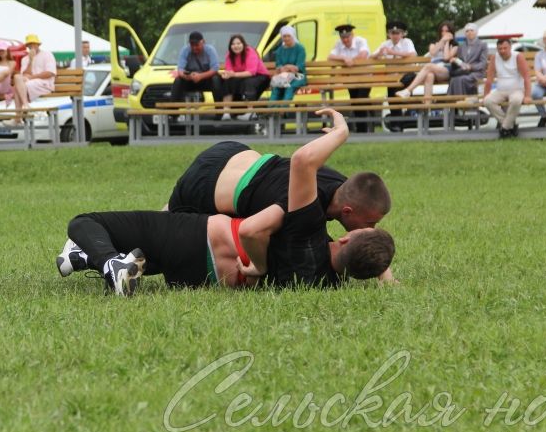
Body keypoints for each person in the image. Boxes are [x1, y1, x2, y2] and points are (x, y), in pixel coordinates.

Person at [60, 110, 395, 296]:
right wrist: (380, 268)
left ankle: (106, 262)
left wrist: (341, 132)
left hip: (207, 202)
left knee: (85, 222)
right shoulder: (325, 283)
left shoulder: (306, 225)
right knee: (147, 248)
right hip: (202, 274)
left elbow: (301, 163)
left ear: (348, 237)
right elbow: (364, 240)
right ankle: (82, 256)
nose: (371, 227)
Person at [164, 141, 391, 236]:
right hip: (205, 185)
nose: (371, 230)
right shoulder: (301, 204)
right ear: (347, 211)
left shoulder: (344, 186)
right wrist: (257, 267)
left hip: (232, 152)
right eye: (370, 224)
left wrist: (383, 273)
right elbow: (251, 231)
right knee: (163, 226)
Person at [396, 21, 458, 102]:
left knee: (428, 66)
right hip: (434, 68)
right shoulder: (434, 43)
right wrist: (442, 41)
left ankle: (408, 90)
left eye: (446, 31)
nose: (444, 33)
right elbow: (433, 53)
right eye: (442, 31)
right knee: (429, 75)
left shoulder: (455, 45)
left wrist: (447, 43)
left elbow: (446, 58)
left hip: (446, 70)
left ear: (451, 32)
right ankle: (427, 106)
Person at [483, 39, 532, 138]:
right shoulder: (494, 58)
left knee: (516, 100)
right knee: (488, 101)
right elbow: (489, 79)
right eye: (500, 48)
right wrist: (485, 95)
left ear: (510, 48)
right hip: (500, 90)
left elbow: (527, 77)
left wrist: (527, 96)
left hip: (517, 89)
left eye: (505, 48)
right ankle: (510, 126)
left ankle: (504, 128)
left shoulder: (518, 57)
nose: (502, 51)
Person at [328, 23, 373, 132]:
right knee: (355, 102)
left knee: (360, 101)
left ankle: (362, 129)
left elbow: (363, 55)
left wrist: (351, 60)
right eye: (343, 37)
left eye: (347, 37)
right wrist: (344, 58)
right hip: (350, 79)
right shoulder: (338, 44)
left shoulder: (361, 41)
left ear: (352, 35)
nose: (345, 40)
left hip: (365, 77)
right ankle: (364, 127)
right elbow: (330, 57)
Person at [9, 34, 56, 126]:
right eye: (29, 44)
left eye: (34, 44)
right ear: (27, 46)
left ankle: (17, 118)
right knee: (17, 77)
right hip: (30, 83)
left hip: (45, 84)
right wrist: (31, 60)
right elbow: (25, 74)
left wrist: (31, 77)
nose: (32, 46)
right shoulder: (25, 59)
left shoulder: (47, 54)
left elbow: (50, 73)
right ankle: (26, 105)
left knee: (17, 87)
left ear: (38, 44)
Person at [171, 31, 224, 103]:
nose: (194, 47)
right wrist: (187, 76)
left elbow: (215, 68)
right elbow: (180, 69)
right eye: (192, 45)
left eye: (197, 45)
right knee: (178, 80)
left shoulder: (210, 50)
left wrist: (200, 76)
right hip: (190, 79)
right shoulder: (185, 50)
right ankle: (174, 111)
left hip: (206, 79)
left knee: (216, 79)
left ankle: (219, 109)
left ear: (203, 42)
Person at [221, 34, 270, 103]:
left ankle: (250, 111)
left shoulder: (250, 51)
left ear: (243, 44)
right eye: (233, 44)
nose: (236, 46)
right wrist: (227, 75)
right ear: (230, 46)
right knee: (228, 82)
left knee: (248, 83)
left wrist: (233, 74)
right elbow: (229, 71)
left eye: (238, 43)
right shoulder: (229, 54)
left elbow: (251, 72)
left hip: (260, 76)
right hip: (242, 77)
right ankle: (226, 111)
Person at [447, 23, 488, 98]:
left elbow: (483, 63)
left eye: (471, 30)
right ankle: (453, 104)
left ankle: (461, 102)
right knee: (453, 80)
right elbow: (460, 61)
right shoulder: (461, 46)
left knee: (461, 79)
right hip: (463, 71)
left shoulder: (482, 45)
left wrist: (471, 67)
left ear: (476, 32)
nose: (469, 32)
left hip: (476, 72)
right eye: (467, 31)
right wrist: (455, 60)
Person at [269, 26, 306, 102]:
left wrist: (287, 67)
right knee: (276, 88)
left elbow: (299, 66)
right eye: (284, 36)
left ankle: (283, 110)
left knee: (289, 87)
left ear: (293, 36)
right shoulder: (280, 50)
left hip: (298, 75)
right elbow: (278, 65)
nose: (286, 38)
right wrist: (284, 68)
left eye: (288, 36)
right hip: (284, 75)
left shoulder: (300, 48)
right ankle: (271, 111)